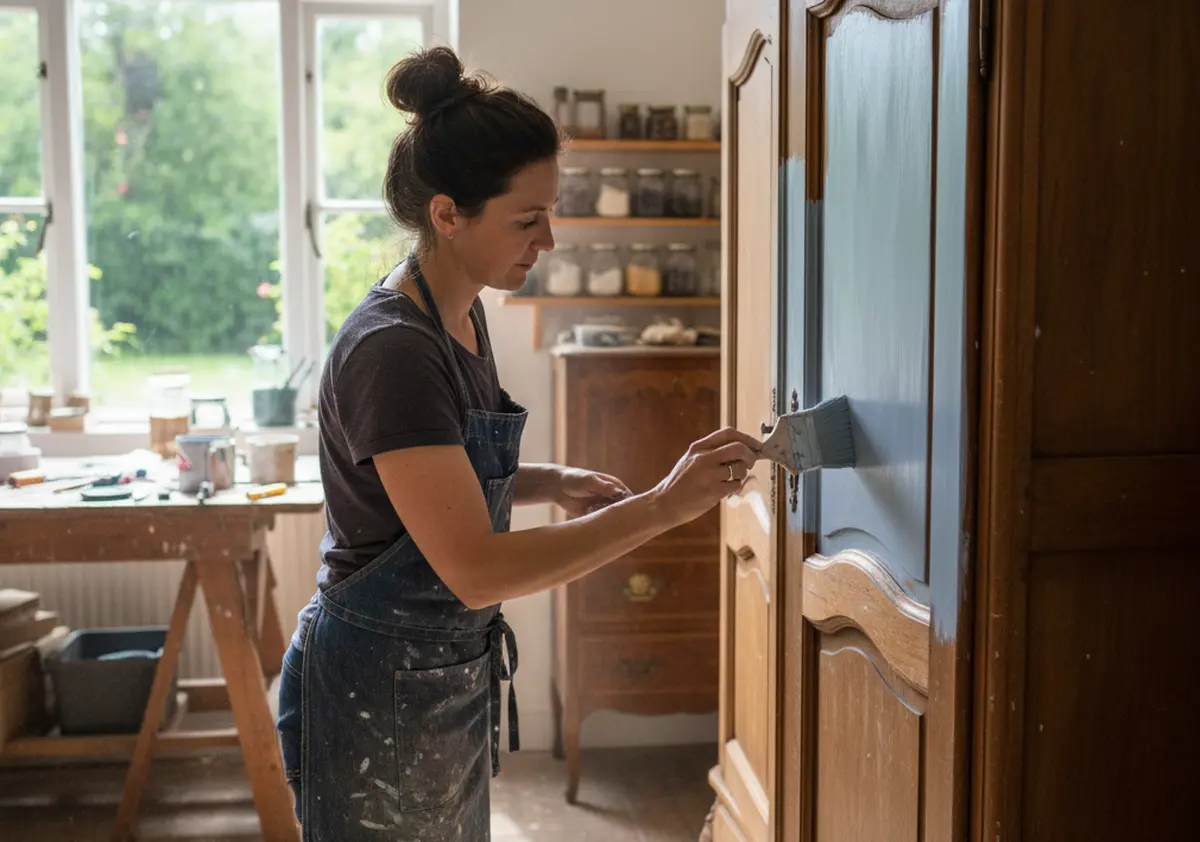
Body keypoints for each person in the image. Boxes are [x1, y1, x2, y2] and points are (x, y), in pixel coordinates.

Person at [275, 45, 761, 840]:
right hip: (375, 690)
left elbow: (443, 475)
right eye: (528, 218)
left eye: (551, 213)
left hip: (438, 677)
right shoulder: (392, 350)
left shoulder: (460, 311)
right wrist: (665, 508)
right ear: (446, 213)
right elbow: (473, 569)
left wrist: (549, 480)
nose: (551, 240)